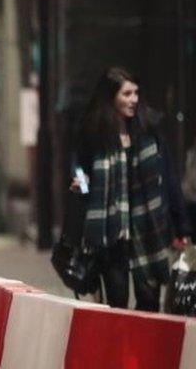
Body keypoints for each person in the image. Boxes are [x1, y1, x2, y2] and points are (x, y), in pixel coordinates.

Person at [72, 67, 191, 311]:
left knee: (149, 299)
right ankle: (119, 348)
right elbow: (79, 169)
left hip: (148, 230)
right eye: (127, 94)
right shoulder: (95, 133)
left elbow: (169, 179)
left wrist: (182, 227)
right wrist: (82, 186)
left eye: (136, 93)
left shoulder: (150, 130)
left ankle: (143, 348)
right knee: (118, 300)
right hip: (111, 233)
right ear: (111, 97)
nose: (133, 100)